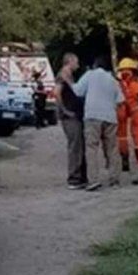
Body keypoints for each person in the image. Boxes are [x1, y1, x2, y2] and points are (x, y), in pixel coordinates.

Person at [65, 54, 124, 191]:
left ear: (95, 65)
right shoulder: (112, 79)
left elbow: (78, 91)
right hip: (110, 116)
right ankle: (114, 179)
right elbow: (120, 100)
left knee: (92, 148)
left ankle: (94, 180)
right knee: (112, 148)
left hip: (93, 115)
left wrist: (69, 82)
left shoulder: (90, 75)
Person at [55, 52, 87, 188]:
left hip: (74, 114)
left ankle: (79, 176)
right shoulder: (62, 76)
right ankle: (74, 178)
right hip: (70, 116)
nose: (78, 65)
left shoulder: (68, 76)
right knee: (75, 146)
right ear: (70, 61)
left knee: (78, 145)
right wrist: (65, 111)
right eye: (76, 62)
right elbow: (57, 93)